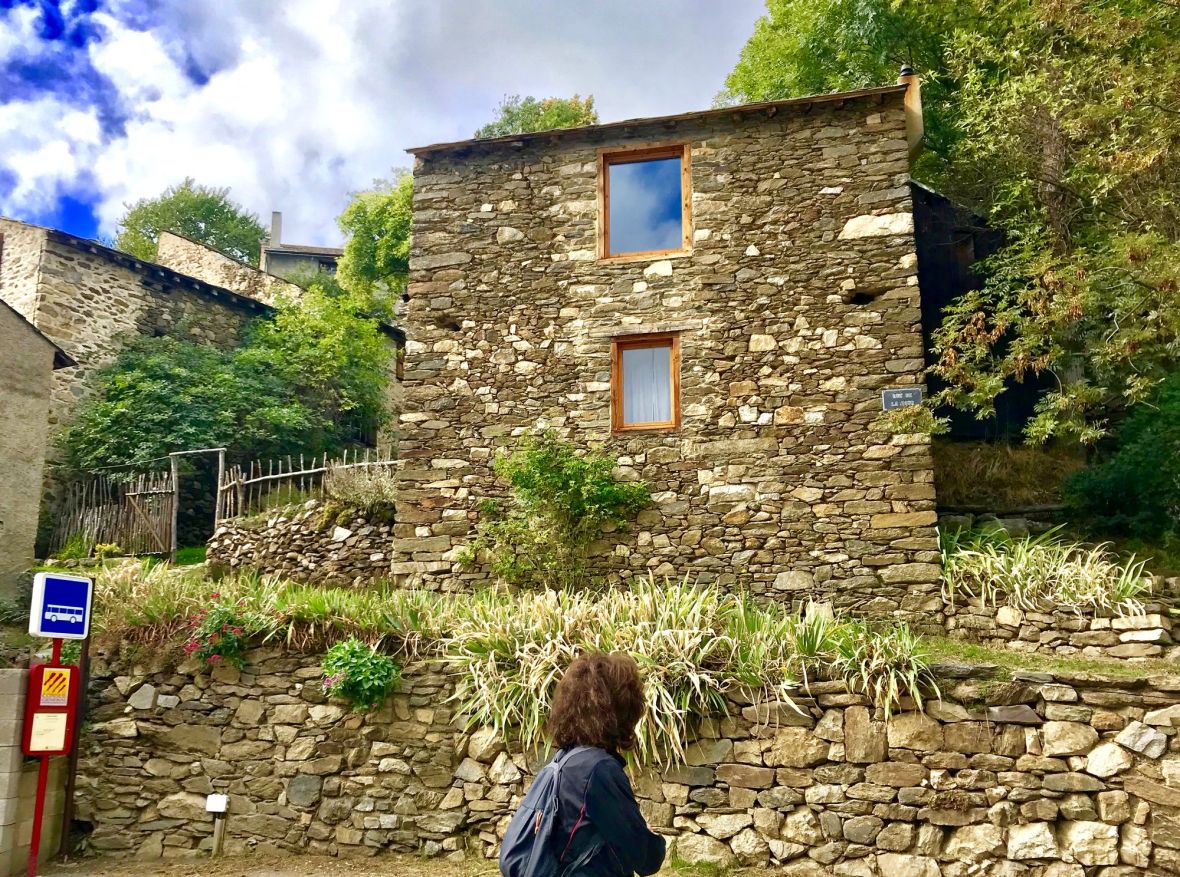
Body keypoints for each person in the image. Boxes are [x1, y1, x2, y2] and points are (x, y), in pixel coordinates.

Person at [546, 652, 666, 877]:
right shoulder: (598, 770)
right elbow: (645, 858)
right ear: (622, 708)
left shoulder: (565, 760)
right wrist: (653, 839)